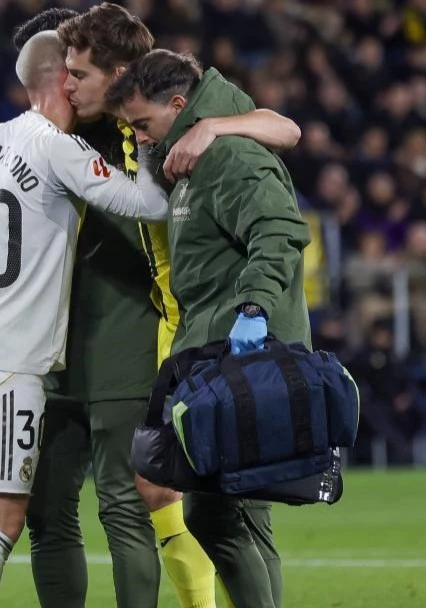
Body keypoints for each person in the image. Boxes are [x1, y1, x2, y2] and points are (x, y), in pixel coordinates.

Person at [23, 5, 301, 608]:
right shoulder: (79, 130)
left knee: (223, 506)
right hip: (164, 326)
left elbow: (284, 129)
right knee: (187, 501)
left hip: (210, 323)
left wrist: (214, 129)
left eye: (78, 75)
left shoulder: (179, 103)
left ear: (123, 76)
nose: (66, 87)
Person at [0, 30, 168, 608]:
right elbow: (151, 204)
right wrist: (146, 142)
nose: (79, 84)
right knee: (2, 514)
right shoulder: (56, 147)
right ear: (60, 81)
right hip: (9, 358)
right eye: (72, 75)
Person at [108, 49, 313, 608]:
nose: (139, 138)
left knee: (213, 512)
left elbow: (279, 230)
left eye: (144, 124)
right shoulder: (189, 152)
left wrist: (253, 312)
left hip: (244, 352)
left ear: (178, 106)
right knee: (248, 517)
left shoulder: (229, 157)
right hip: (215, 350)